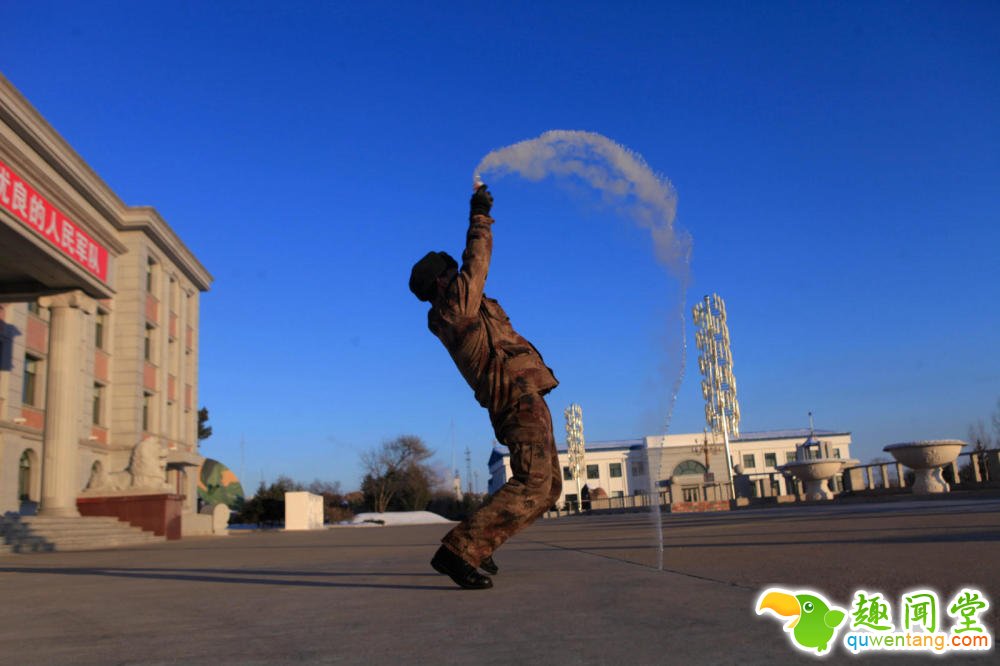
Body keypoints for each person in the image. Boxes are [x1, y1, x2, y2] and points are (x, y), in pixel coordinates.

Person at [409, 184, 561, 590]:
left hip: (523, 393)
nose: (457, 274)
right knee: (532, 481)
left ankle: (482, 541)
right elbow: (476, 262)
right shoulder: (456, 307)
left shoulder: (463, 306)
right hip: (514, 397)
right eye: (449, 271)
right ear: (442, 284)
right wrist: (479, 213)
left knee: (548, 489)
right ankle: (458, 551)